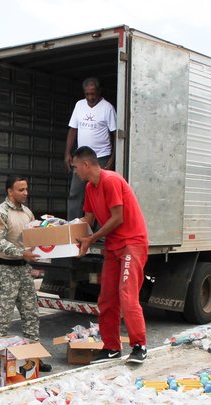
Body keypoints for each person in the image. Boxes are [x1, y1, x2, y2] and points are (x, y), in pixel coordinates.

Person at [72, 146, 148, 364]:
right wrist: (61, 235)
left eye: (76, 167)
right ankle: (112, 347)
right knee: (106, 299)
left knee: (127, 295)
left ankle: (139, 346)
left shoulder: (110, 180)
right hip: (114, 247)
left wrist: (91, 239)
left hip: (132, 243)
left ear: (86, 165)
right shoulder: (89, 188)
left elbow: (118, 218)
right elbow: (87, 221)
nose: (75, 172)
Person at [0, 176, 51, 372]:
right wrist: (21, 252)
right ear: (10, 191)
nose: (25, 193)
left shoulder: (27, 213)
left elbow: (32, 238)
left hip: (23, 269)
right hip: (5, 269)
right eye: (21, 189)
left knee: (31, 314)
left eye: (26, 189)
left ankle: (32, 360)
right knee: (3, 318)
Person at [64, 78, 118, 220]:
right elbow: (73, 130)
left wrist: (112, 158)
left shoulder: (108, 108)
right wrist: (67, 153)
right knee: (75, 193)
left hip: (101, 157)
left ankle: (102, 231)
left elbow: (116, 135)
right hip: (81, 158)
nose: (90, 97)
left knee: (101, 195)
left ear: (99, 92)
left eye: (93, 94)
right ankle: (71, 228)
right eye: (87, 94)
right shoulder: (79, 105)